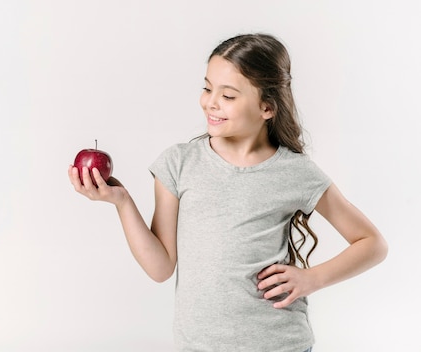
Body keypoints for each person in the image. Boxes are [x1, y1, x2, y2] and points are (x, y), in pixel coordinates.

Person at [67, 33, 388, 352]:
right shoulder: (179, 163)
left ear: (267, 107)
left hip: (280, 344)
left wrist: (312, 278)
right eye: (207, 88)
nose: (211, 102)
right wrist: (121, 202)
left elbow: (373, 244)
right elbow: (160, 268)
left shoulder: (296, 173)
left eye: (229, 95)